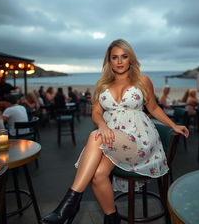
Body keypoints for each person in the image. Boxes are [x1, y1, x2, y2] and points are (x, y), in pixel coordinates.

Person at [41, 39, 189, 224]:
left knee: (94, 136)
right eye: (115, 57)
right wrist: (103, 125)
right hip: (110, 138)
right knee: (98, 175)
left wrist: (173, 125)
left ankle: (70, 203)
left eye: (124, 57)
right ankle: (112, 218)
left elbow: (153, 108)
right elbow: (96, 112)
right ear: (109, 60)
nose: (119, 61)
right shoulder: (102, 84)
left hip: (138, 139)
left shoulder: (142, 80)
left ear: (130, 59)